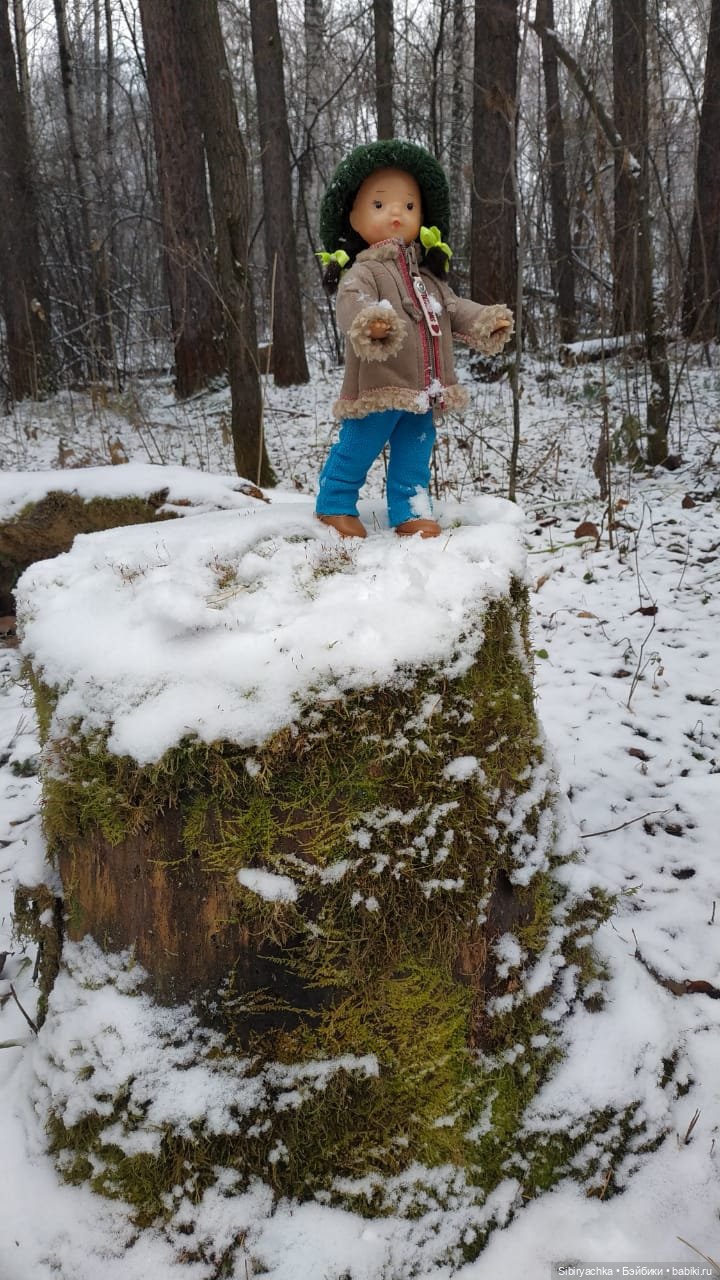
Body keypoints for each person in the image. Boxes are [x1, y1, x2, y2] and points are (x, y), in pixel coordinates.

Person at [314, 139, 514, 539]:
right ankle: (334, 502)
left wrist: (484, 321)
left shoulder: (428, 279)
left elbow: (453, 308)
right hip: (379, 385)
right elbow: (352, 304)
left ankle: (410, 509)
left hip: (425, 389)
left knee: (416, 451)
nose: (395, 215)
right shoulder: (363, 273)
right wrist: (371, 321)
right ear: (352, 218)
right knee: (360, 444)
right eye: (379, 205)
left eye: (408, 206)